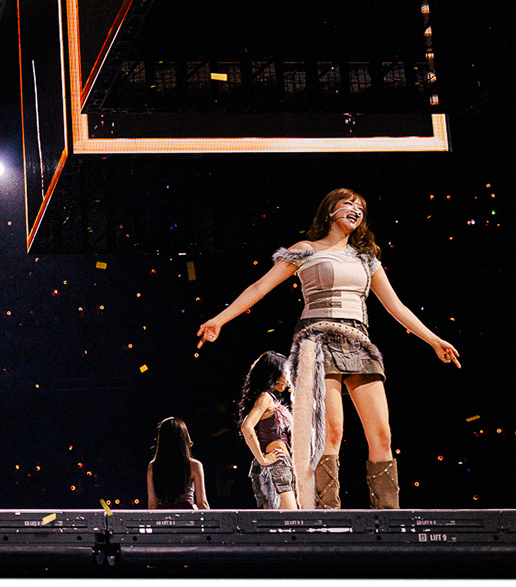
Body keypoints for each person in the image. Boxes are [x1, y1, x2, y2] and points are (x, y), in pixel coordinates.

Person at [195, 188, 460, 509]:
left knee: (382, 435)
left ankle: (388, 515)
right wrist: (219, 319)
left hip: (358, 342)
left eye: (361, 207)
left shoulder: (366, 258)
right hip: (317, 341)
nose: (356, 209)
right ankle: (327, 514)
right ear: (331, 211)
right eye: (349, 203)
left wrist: (433, 339)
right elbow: (260, 286)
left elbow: (396, 306)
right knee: (331, 433)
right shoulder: (305, 250)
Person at [238, 351, 295, 509]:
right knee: (292, 519)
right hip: (276, 465)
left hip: (276, 465)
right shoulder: (265, 397)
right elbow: (246, 427)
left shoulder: (269, 398)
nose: (287, 378)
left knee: (277, 521)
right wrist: (263, 459)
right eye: (285, 373)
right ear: (274, 374)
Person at [145, 417, 210, 509]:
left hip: (164, 515)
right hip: (187, 514)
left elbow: (152, 504)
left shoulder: (153, 466)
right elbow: (202, 503)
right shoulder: (194, 465)